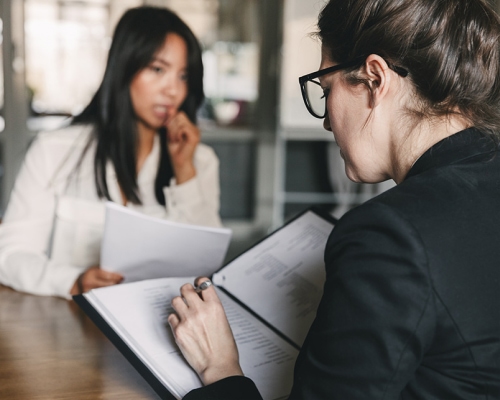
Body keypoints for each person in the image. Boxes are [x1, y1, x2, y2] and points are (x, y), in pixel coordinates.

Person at [168, 0, 500, 398]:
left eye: (326, 91)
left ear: (375, 79)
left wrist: (220, 367)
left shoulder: (390, 235)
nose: (326, 121)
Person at [0, 6, 222, 299]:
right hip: (69, 327)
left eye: (183, 76)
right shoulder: (55, 150)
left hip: (163, 329)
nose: (173, 91)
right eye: (158, 70)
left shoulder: (199, 161)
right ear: (125, 68)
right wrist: (74, 281)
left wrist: (185, 173)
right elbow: (10, 255)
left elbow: (206, 269)